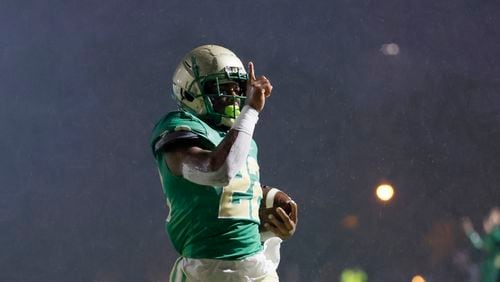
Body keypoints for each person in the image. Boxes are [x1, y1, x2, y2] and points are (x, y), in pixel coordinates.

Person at [150, 45, 298, 282]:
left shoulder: (243, 140)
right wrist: (250, 111)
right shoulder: (177, 127)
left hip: (256, 268)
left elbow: (232, 204)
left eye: (236, 87)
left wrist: (273, 229)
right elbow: (219, 170)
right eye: (220, 87)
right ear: (189, 93)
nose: (233, 94)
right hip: (206, 269)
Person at [462, 207, 500, 282]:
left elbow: (480, 244)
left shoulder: (495, 234)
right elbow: (481, 245)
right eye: (490, 219)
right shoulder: (492, 236)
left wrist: (470, 232)